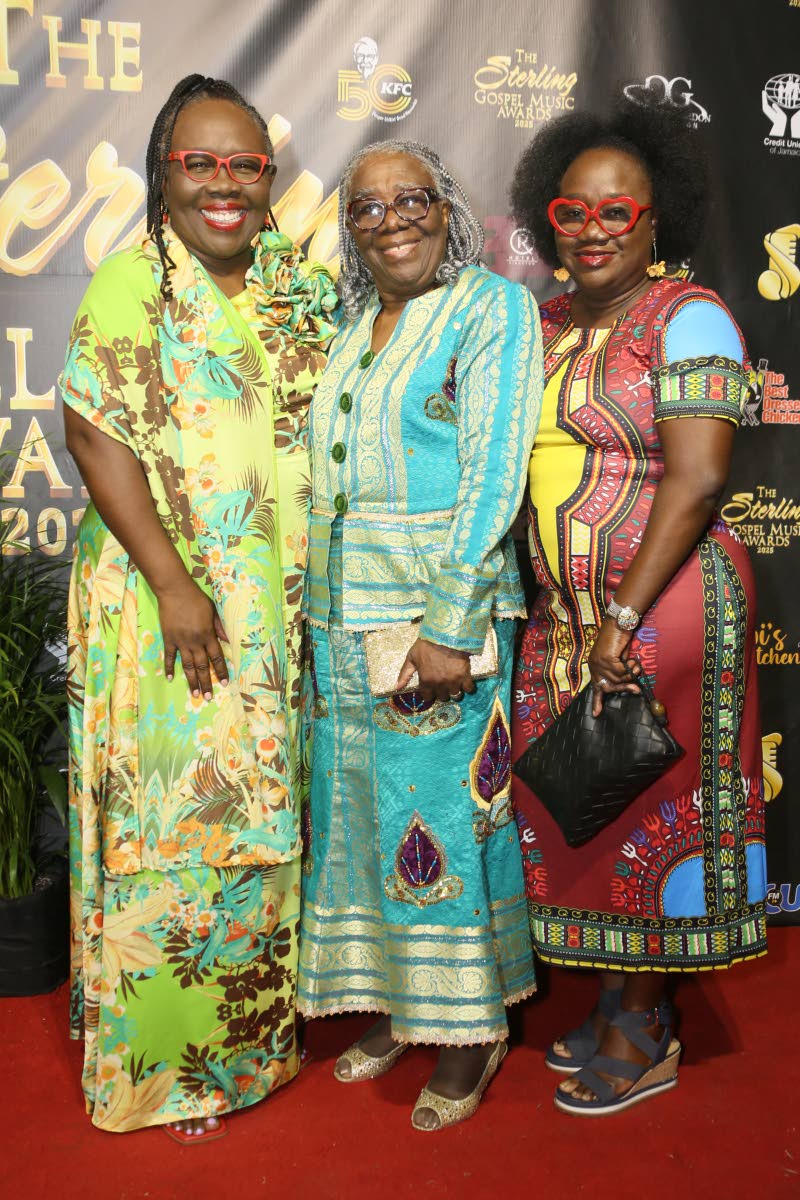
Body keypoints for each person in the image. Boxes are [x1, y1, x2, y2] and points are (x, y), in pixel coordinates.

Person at [60, 74, 337, 1137]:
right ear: (163, 174)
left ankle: (247, 1050)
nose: (223, 184)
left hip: (276, 613)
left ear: (270, 181)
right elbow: (96, 436)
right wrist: (177, 584)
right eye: (199, 163)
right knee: (175, 826)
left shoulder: (298, 289)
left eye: (246, 165)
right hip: (165, 605)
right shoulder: (136, 284)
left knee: (258, 828)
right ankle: (169, 1066)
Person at [509, 108, 767, 1116]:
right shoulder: (543, 322)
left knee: (658, 804)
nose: (593, 226)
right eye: (572, 209)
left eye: (618, 209)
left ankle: (646, 1026)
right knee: (594, 804)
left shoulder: (689, 315)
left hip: (663, 611)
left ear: (654, 218)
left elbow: (696, 480)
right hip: (566, 619)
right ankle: (621, 996)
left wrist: (618, 614)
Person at [297, 140, 543, 1131]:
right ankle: (409, 1007)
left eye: (412, 199)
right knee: (363, 827)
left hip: (433, 620)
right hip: (338, 617)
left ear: (446, 209)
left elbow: (492, 475)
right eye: (366, 207)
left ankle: (472, 1029)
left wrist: (447, 627)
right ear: (347, 228)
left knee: (442, 824)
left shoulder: (491, 308)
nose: (391, 218)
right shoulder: (354, 323)